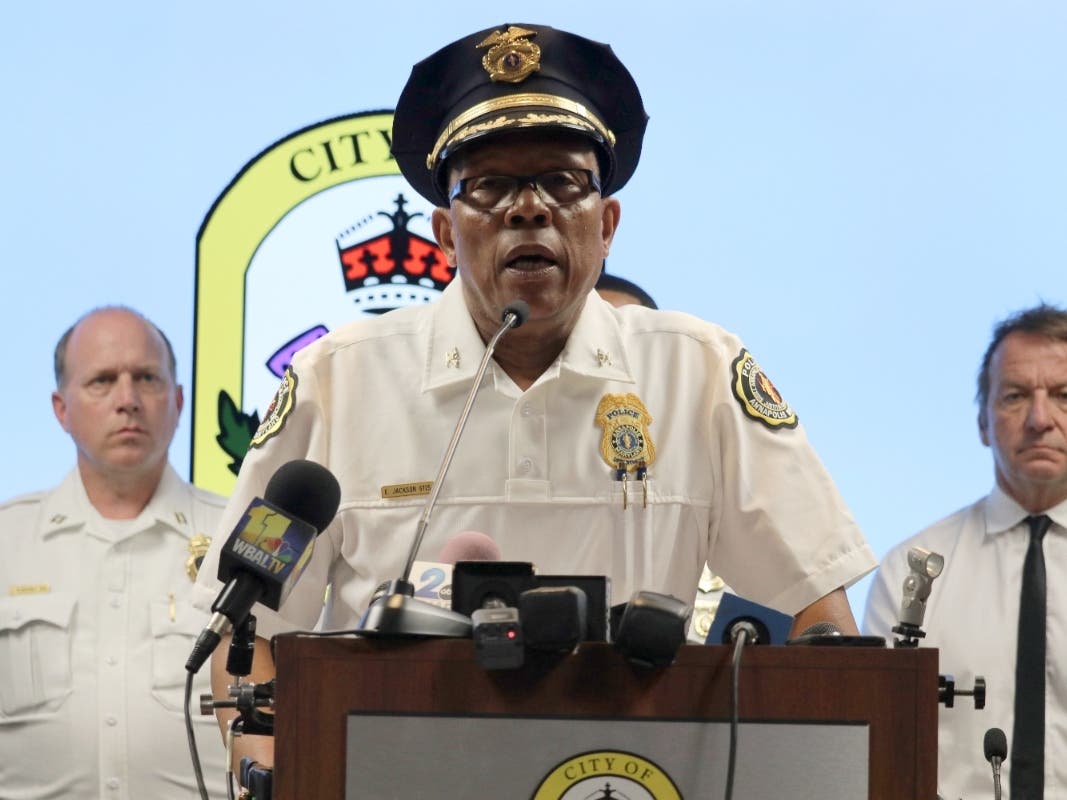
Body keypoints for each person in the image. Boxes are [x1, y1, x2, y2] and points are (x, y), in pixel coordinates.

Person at [194, 22, 877, 776]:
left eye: (562, 182)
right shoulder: (338, 379)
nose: (529, 209)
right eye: (490, 187)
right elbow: (243, 632)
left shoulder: (698, 371)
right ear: (445, 235)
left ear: (607, 224)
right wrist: (266, 772)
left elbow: (821, 613)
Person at [0, 307, 229, 798]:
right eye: (102, 381)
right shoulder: (6, 543)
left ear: (179, 400)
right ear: (61, 409)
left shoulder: (238, 541)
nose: (127, 400)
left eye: (147, 378)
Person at [864, 303, 1067, 800]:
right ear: (982, 422)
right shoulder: (911, 572)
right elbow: (877, 748)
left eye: (1064, 395)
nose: (1040, 420)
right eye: (1016, 397)